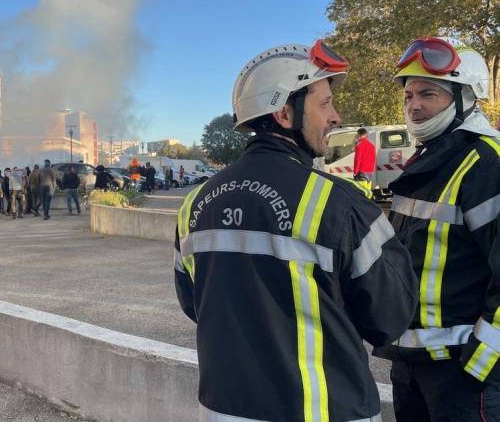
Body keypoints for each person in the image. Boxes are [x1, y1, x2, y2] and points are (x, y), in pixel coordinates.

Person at [174, 40, 418, 422]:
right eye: (325, 103)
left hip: (222, 411)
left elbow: (195, 304)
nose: (335, 116)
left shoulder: (194, 204)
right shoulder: (340, 203)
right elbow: (389, 319)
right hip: (321, 411)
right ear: (286, 112)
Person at [372, 36, 500, 420]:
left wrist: (480, 365)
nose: (414, 106)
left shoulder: (485, 164)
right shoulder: (430, 159)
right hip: (413, 364)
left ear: (464, 97)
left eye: (428, 94)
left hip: (463, 374)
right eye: (409, 95)